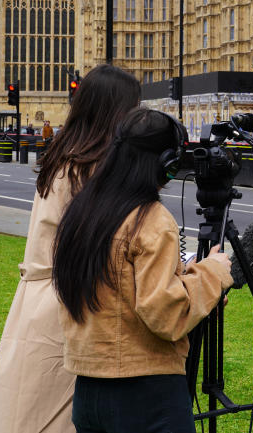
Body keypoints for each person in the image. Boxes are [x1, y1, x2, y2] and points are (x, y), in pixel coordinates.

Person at [0, 64, 144, 433]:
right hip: (71, 304)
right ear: (114, 112)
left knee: (25, 407)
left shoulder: (66, 157)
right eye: (133, 108)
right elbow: (113, 250)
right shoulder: (91, 169)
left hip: (39, 300)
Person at [51, 107, 232, 433]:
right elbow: (164, 312)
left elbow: (114, 290)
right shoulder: (150, 218)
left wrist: (183, 276)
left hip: (88, 391)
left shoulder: (81, 211)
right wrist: (212, 273)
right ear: (166, 163)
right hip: (147, 391)